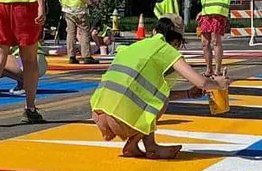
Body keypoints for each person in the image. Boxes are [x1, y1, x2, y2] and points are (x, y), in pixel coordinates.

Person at [91, 14, 231, 159]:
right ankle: (148, 147)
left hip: (99, 115)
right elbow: (201, 82)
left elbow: (148, 93)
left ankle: (137, 145)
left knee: (154, 97)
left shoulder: (136, 46)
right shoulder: (166, 50)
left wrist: (188, 94)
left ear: (154, 31)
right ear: (176, 41)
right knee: (160, 103)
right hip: (121, 120)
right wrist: (219, 84)